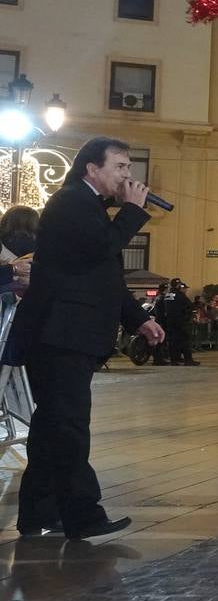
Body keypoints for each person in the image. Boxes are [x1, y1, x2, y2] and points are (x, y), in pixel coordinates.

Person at [12, 137, 166, 539]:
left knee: (52, 427)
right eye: (120, 166)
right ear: (91, 169)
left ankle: (38, 512)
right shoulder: (71, 203)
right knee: (69, 426)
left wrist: (138, 320)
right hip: (59, 334)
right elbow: (103, 248)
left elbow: (104, 276)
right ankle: (83, 515)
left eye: (129, 168)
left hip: (67, 334)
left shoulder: (89, 207)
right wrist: (132, 211)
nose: (128, 175)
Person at [154, 278, 198, 366]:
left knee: (172, 342)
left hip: (169, 322)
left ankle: (174, 360)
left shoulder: (166, 295)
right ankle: (188, 360)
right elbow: (190, 306)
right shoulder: (180, 295)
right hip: (180, 321)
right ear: (178, 286)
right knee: (185, 340)